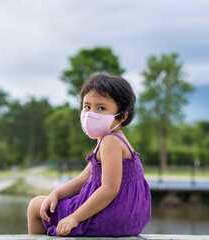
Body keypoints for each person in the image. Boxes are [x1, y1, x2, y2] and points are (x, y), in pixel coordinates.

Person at [27, 73, 151, 237]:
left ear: (122, 115)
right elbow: (83, 179)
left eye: (101, 108)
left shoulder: (110, 142)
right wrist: (56, 194)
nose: (91, 113)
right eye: (87, 106)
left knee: (36, 206)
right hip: (128, 218)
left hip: (110, 215)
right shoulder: (111, 139)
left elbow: (109, 189)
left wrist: (74, 218)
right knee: (46, 203)